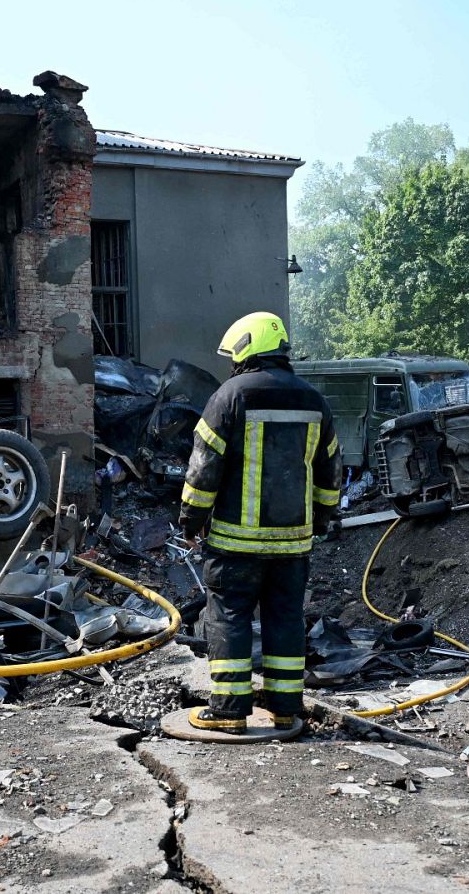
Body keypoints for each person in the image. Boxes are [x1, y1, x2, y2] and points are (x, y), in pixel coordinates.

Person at [177, 312, 342, 732]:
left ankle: (230, 712)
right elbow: (329, 474)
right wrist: (320, 520)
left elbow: (203, 470)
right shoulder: (314, 400)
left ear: (245, 347)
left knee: (229, 615)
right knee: (285, 619)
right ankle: (285, 709)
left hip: (235, 543)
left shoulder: (229, 396)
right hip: (293, 545)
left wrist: (190, 522)